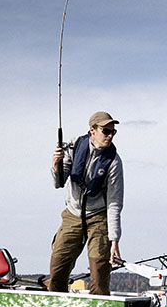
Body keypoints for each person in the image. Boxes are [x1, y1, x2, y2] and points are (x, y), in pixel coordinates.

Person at [48, 111, 123, 295]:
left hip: (99, 217)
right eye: (106, 131)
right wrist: (55, 164)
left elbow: (114, 203)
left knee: (99, 268)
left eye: (113, 132)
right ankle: (56, 305)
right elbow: (59, 183)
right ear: (93, 130)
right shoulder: (74, 147)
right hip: (72, 214)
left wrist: (114, 240)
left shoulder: (113, 161)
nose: (110, 135)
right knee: (58, 267)